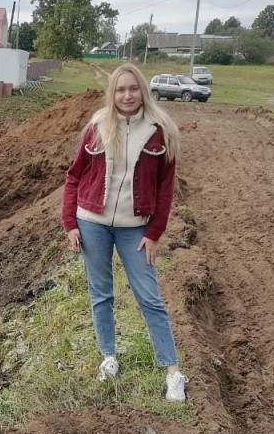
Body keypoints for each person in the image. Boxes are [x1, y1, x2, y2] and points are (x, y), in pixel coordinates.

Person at [61, 63, 188, 402]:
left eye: (133, 89)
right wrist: (70, 223)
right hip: (93, 222)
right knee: (100, 294)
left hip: (136, 228)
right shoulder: (97, 127)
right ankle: (109, 357)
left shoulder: (159, 131)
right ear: (112, 93)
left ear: (142, 91)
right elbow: (74, 177)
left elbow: (165, 188)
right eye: (121, 90)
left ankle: (173, 371)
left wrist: (155, 232)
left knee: (150, 297)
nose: (127, 95)